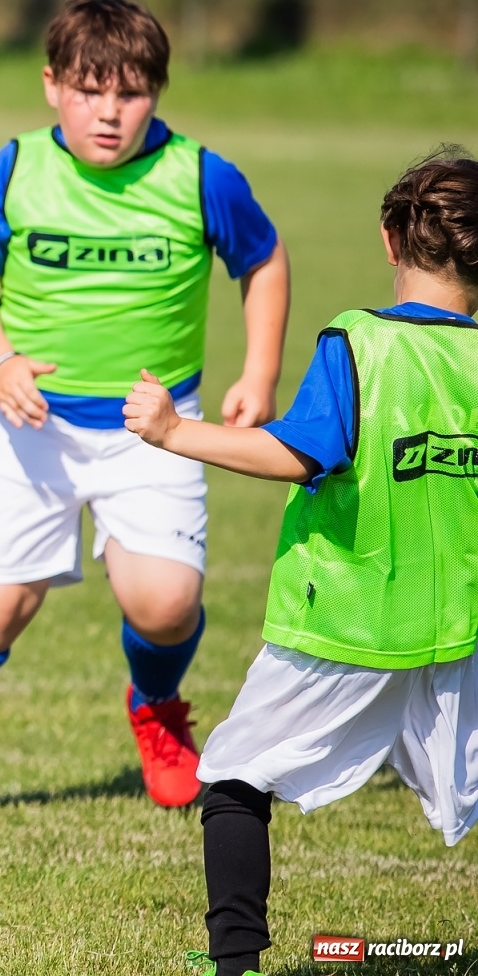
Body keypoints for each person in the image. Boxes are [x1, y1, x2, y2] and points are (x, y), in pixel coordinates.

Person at [0, 0, 291, 821]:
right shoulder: (17, 168)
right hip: (35, 427)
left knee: (164, 603)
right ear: (52, 85)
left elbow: (263, 259)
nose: (109, 112)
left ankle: (157, 712)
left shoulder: (201, 175)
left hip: (157, 429)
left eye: (131, 92)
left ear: (157, 93)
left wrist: (261, 371)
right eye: (90, 90)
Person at [125, 149, 478, 976]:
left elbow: (296, 451)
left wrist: (174, 432)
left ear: (389, 241)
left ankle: (236, 959)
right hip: (461, 627)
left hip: (344, 623)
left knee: (238, 777)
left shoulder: (360, 345)